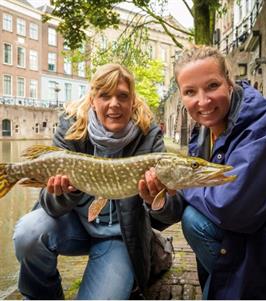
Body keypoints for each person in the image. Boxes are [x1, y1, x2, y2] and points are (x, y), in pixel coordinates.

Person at [139, 45, 266, 299]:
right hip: (253, 231)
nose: (203, 101)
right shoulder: (205, 131)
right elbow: (186, 199)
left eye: (212, 86)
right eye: (190, 92)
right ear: (182, 97)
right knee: (193, 217)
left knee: (196, 221)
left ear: (229, 82)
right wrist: (157, 201)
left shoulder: (265, 124)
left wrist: (181, 182)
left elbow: (230, 208)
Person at [13, 63, 177, 300]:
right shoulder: (71, 129)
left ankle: (135, 265)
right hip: (73, 226)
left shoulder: (148, 136)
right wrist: (64, 192)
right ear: (93, 100)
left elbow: (167, 216)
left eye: (122, 96)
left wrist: (157, 201)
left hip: (119, 236)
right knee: (28, 233)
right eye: (105, 96)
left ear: (133, 100)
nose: (114, 104)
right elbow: (49, 205)